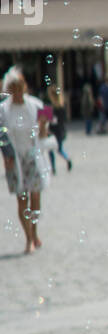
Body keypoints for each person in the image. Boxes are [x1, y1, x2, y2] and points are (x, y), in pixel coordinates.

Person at [0, 67, 51, 253]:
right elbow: (1, 135)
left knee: (35, 197)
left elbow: (45, 134)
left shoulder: (36, 105)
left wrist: (44, 125)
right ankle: (28, 238)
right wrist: (6, 156)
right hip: (15, 158)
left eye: (21, 86)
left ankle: (34, 231)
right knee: (22, 199)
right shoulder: (3, 110)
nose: (19, 91)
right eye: (14, 87)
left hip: (32, 155)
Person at [46, 85, 73, 170]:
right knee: (58, 149)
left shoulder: (53, 108)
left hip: (54, 131)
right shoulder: (61, 106)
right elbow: (64, 119)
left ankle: (54, 167)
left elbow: (54, 120)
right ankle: (67, 160)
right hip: (59, 131)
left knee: (54, 150)